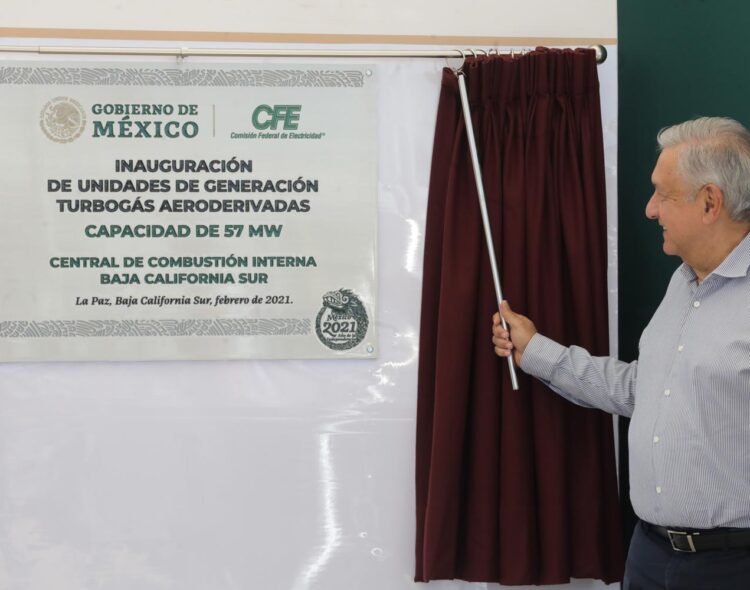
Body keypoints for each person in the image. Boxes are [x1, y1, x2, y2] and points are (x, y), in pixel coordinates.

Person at [492, 116, 750, 590]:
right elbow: (644, 389)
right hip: (649, 555)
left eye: (663, 195)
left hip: (732, 568)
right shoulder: (681, 284)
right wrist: (536, 352)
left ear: (710, 201)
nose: (651, 210)